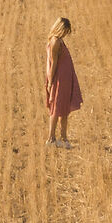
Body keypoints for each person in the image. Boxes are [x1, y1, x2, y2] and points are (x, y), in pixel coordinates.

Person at [44, 16, 82, 146]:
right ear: (61, 29)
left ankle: (63, 138)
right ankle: (52, 138)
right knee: (56, 109)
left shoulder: (58, 41)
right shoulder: (55, 42)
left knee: (63, 110)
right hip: (59, 80)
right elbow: (53, 64)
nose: (66, 34)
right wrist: (50, 82)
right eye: (66, 30)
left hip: (64, 79)